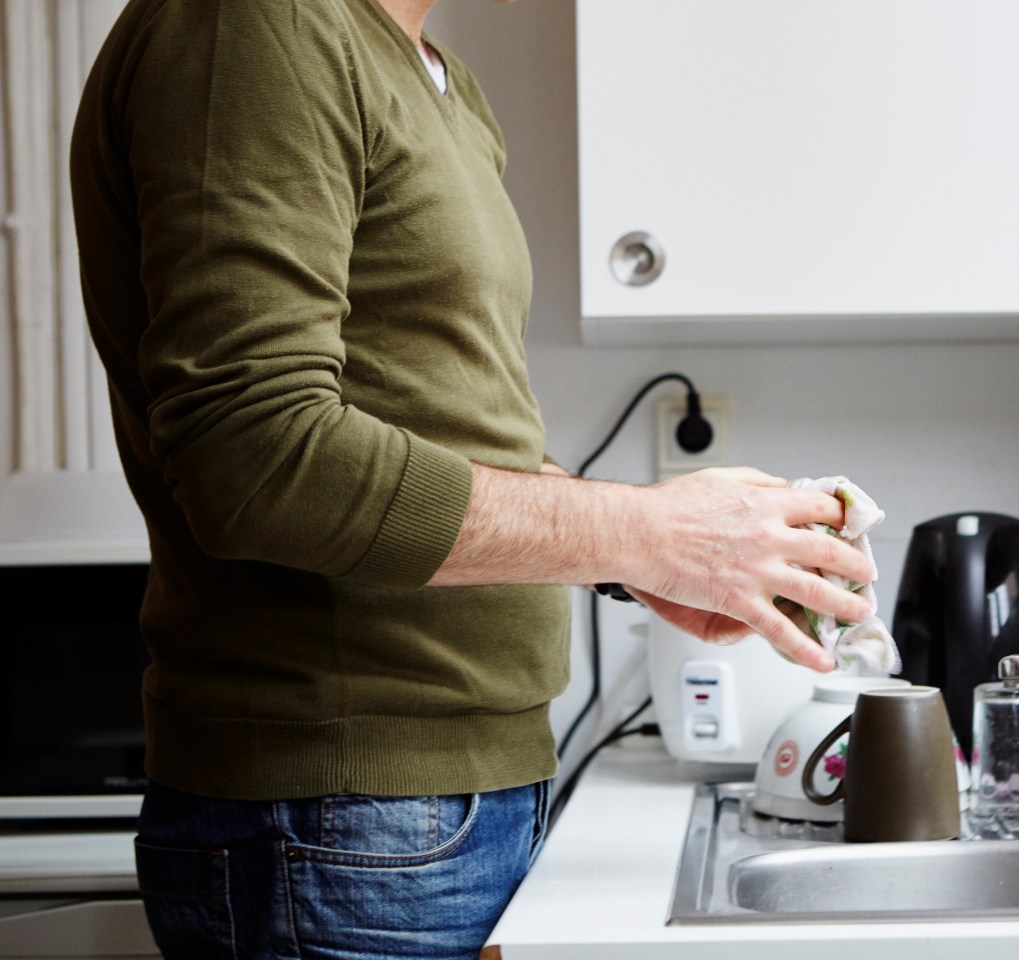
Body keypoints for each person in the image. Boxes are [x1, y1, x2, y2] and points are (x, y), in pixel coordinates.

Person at [68, 0, 876, 956]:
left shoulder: (430, 74)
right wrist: (648, 531)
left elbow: (443, 428)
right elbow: (259, 454)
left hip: (433, 809)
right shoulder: (258, 25)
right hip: (341, 819)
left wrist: (641, 563)